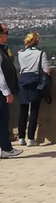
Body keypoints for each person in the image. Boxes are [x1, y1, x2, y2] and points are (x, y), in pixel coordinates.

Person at [17, 31, 52, 146]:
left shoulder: (20, 53)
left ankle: (21, 137)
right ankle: (31, 138)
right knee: (34, 110)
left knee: (23, 110)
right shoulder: (40, 54)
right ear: (36, 41)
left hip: (22, 81)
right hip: (35, 81)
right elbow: (47, 70)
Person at [0, 24, 21, 158]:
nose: (7, 35)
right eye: (6, 32)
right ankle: (6, 148)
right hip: (1, 92)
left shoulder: (3, 50)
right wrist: (6, 92)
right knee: (3, 120)